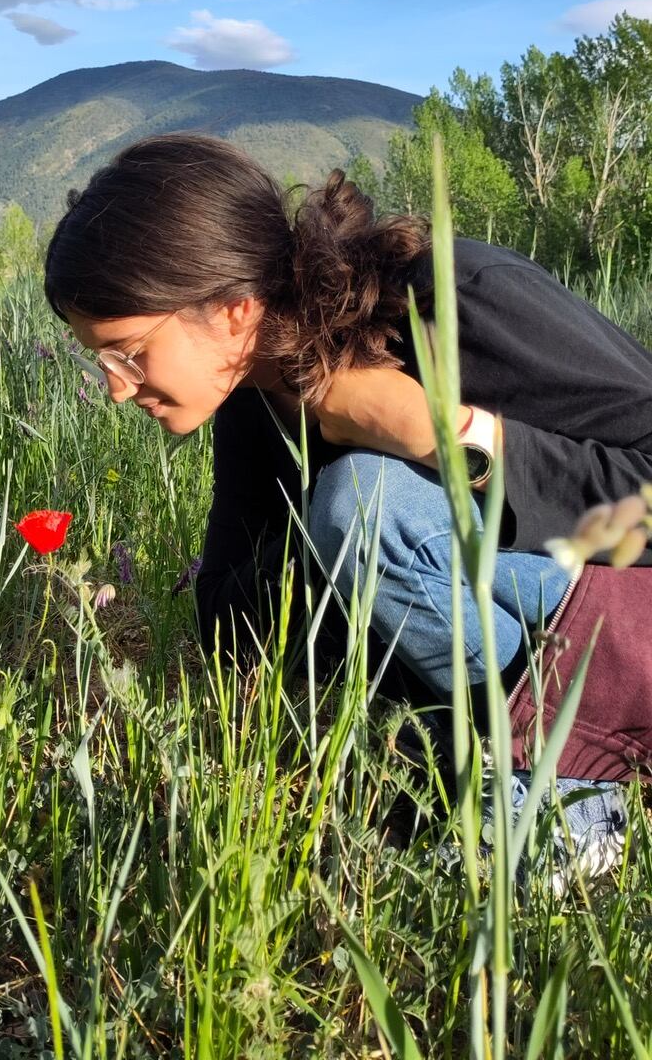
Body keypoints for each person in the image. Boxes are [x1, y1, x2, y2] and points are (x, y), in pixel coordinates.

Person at [43, 131, 652, 878]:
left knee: (365, 505)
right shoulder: (256, 396)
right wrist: (333, 556)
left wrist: (448, 437)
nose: (115, 387)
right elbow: (228, 619)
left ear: (233, 308)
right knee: (347, 521)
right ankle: (486, 771)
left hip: (628, 630)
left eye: (128, 352)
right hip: (549, 640)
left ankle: (568, 789)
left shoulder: (458, 297)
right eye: (98, 359)